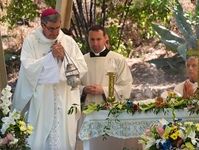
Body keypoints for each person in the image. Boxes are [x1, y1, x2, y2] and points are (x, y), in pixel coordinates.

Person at [12, 8, 88, 150]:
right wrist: (49, 58)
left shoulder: (68, 41)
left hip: (64, 97)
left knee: (63, 136)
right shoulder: (31, 42)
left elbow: (82, 66)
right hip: (41, 99)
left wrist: (64, 57)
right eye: (51, 29)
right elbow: (28, 69)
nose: (55, 33)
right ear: (42, 25)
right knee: (40, 138)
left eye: (58, 28)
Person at [76, 25, 138, 150]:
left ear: (105, 38)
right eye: (92, 39)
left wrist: (103, 90)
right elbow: (74, 85)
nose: (95, 43)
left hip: (110, 112)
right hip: (88, 113)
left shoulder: (118, 59)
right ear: (88, 39)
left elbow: (125, 85)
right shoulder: (82, 60)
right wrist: (83, 89)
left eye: (98, 39)